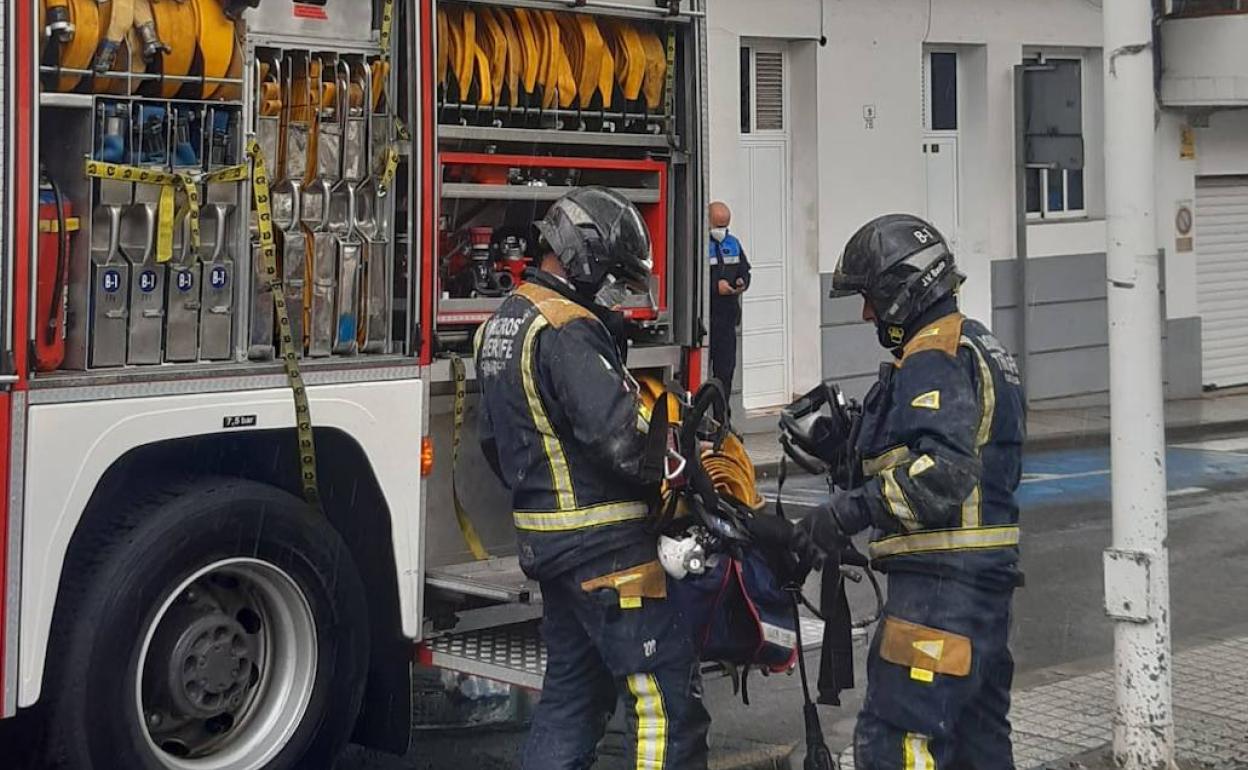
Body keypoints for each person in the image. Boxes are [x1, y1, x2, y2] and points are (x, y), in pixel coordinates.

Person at [760, 214, 1026, 767]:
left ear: (903, 290)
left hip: (938, 592)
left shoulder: (934, 354)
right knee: (977, 750)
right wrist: (850, 447)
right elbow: (940, 449)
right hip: (981, 595)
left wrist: (846, 513)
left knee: (896, 744)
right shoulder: (978, 345)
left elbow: (945, 473)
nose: (866, 314)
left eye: (871, 299)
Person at [475, 186, 710, 770]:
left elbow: (491, 443)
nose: (614, 292)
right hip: (608, 550)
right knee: (665, 711)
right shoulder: (567, 327)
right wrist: (684, 464)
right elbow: (622, 440)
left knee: (571, 703)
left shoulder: (505, 321)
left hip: (551, 546)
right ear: (585, 257)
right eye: (612, 276)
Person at [707, 201, 751, 392]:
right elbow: (688, 277)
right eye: (718, 226)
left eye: (724, 226)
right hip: (706, 319)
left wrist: (742, 281)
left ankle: (722, 417)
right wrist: (715, 286)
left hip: (727, 318)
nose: (721, 231)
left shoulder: (733, 243)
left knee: (725, 371)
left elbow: (744, 269)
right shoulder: (699, 244)